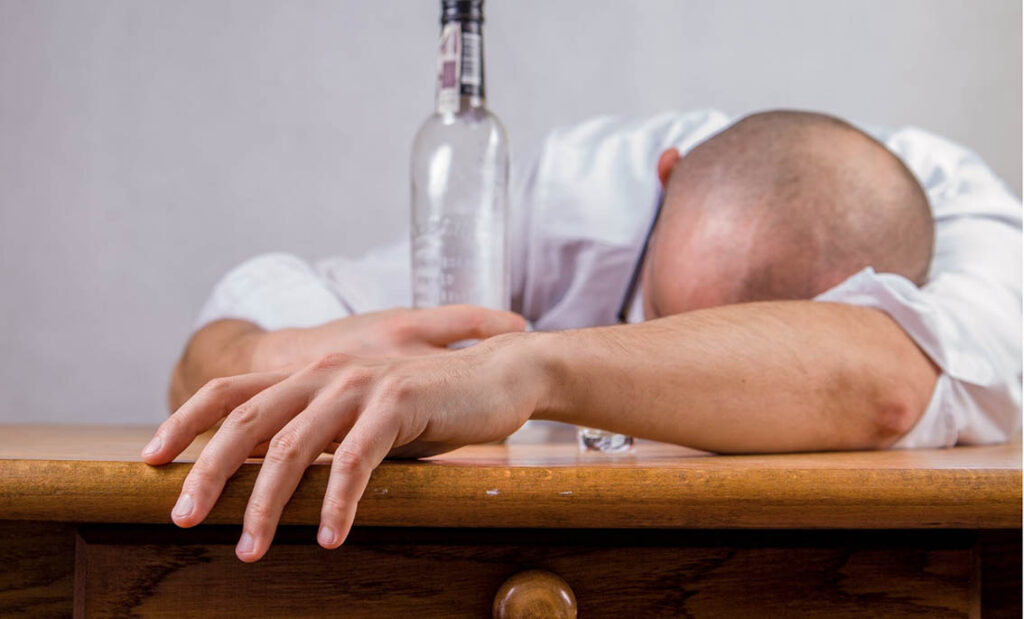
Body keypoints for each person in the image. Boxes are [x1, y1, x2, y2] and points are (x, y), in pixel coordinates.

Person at [143, 109, 1021, 563]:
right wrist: (277, 357)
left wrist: (522, 370)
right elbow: (229, 330)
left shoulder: (975, 224)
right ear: (664, 180)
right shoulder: (572, 191)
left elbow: (886, 387)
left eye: (732, 345)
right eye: (659, 315)